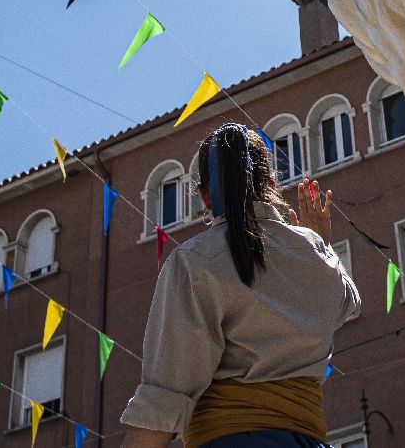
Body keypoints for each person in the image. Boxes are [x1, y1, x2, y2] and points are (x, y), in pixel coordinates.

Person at [121, 122, 360, 448]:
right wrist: (320, 242)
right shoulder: (314, 250)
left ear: (205, 197)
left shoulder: (193, 260)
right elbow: (348, 302)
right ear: (272, 183)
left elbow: (165, 394)